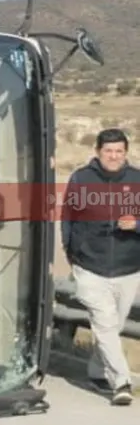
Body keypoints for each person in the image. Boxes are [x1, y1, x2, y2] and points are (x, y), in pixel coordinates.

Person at [61, 127, 140, 405]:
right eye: (108, 151)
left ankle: (97, 372)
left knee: (112, 326)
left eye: (119, 151)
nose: (114, 156)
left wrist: (136, 225)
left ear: (126, 153)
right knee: (105, 323)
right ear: (97, 152)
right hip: (89, 267)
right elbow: (68, 217)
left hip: (128, 268)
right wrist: (72, 252)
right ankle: (122, 382)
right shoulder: (81, 179)